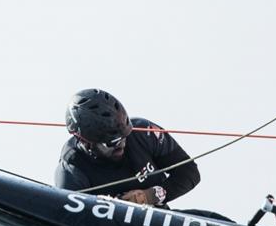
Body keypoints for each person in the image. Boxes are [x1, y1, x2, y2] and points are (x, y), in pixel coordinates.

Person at [54, 88, 200, 207]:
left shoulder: (144, 132)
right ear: (86, 142)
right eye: (111, 143)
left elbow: (189, 172)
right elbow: (70, 219)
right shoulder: (72, 169)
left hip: (159, 222)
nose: (121, 144)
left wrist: (149, 196)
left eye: (124, 136)